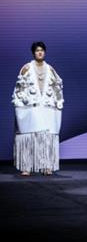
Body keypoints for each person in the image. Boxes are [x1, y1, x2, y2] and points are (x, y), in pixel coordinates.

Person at [12, 42, 63, 176]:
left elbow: (57, 87)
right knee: (30, 135)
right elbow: (19, 89)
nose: (39, 52)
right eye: (37, 50)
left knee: (46, 137)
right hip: (32, 107)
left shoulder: (50, 69)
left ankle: (47, 166)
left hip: (46, 107)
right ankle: (26, 166)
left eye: (42, 50)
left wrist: (56, 103)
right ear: (33, 53)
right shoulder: (27, 68)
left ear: (44, 52)